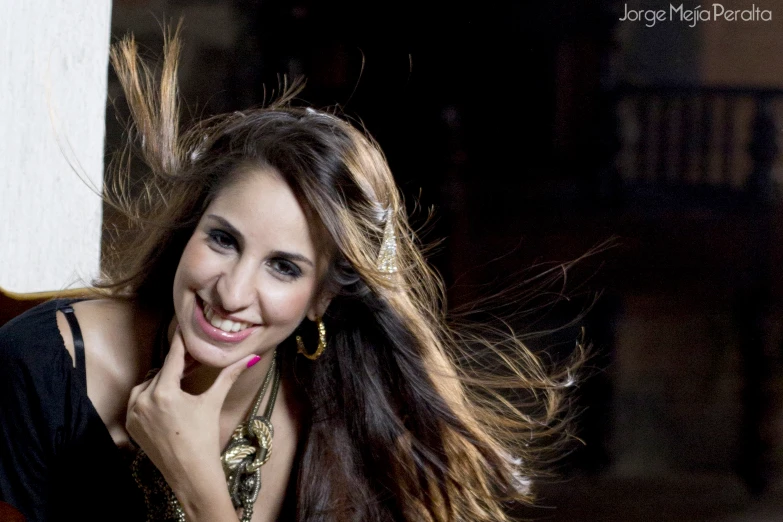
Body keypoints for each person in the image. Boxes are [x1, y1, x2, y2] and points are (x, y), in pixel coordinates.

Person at [0, 31, 583, 522]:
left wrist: (199, 480)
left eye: (284, 267)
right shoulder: (41, 369)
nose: (231, 293)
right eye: (223, 240)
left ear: (321, 299)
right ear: (190, 230)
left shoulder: (338, 417)